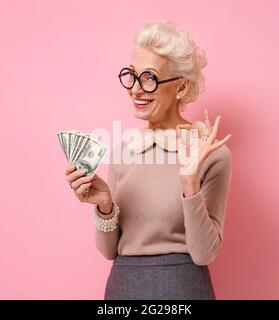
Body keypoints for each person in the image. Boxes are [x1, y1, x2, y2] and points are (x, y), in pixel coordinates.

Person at [64, 21, 233, 300]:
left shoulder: (212, 154)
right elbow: (109, 251)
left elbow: (204, 253)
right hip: (123, 288)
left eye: (150, 78)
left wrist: (189, 180)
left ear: (181, 86)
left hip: (184, 289)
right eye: (132, 76)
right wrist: (105, 205)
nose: (135, 90)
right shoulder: (124, 150)